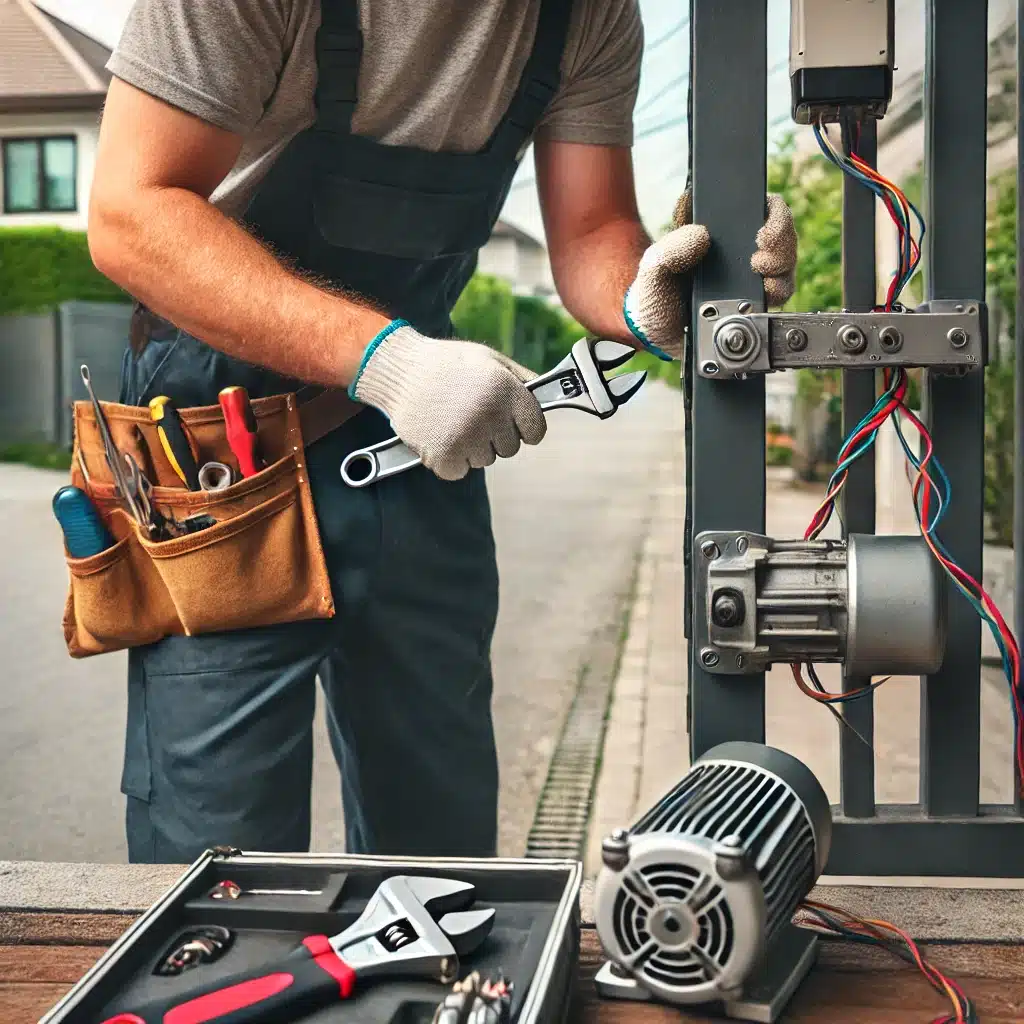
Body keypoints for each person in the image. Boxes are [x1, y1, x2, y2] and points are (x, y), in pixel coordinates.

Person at [87, 0, 798, 864]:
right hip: (220, 447)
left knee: (439, 837)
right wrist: (388, 363)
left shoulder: (589, 15)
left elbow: (588, 230)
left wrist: (649, 299)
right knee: (220, 853)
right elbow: (133, 211)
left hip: (426, 434)